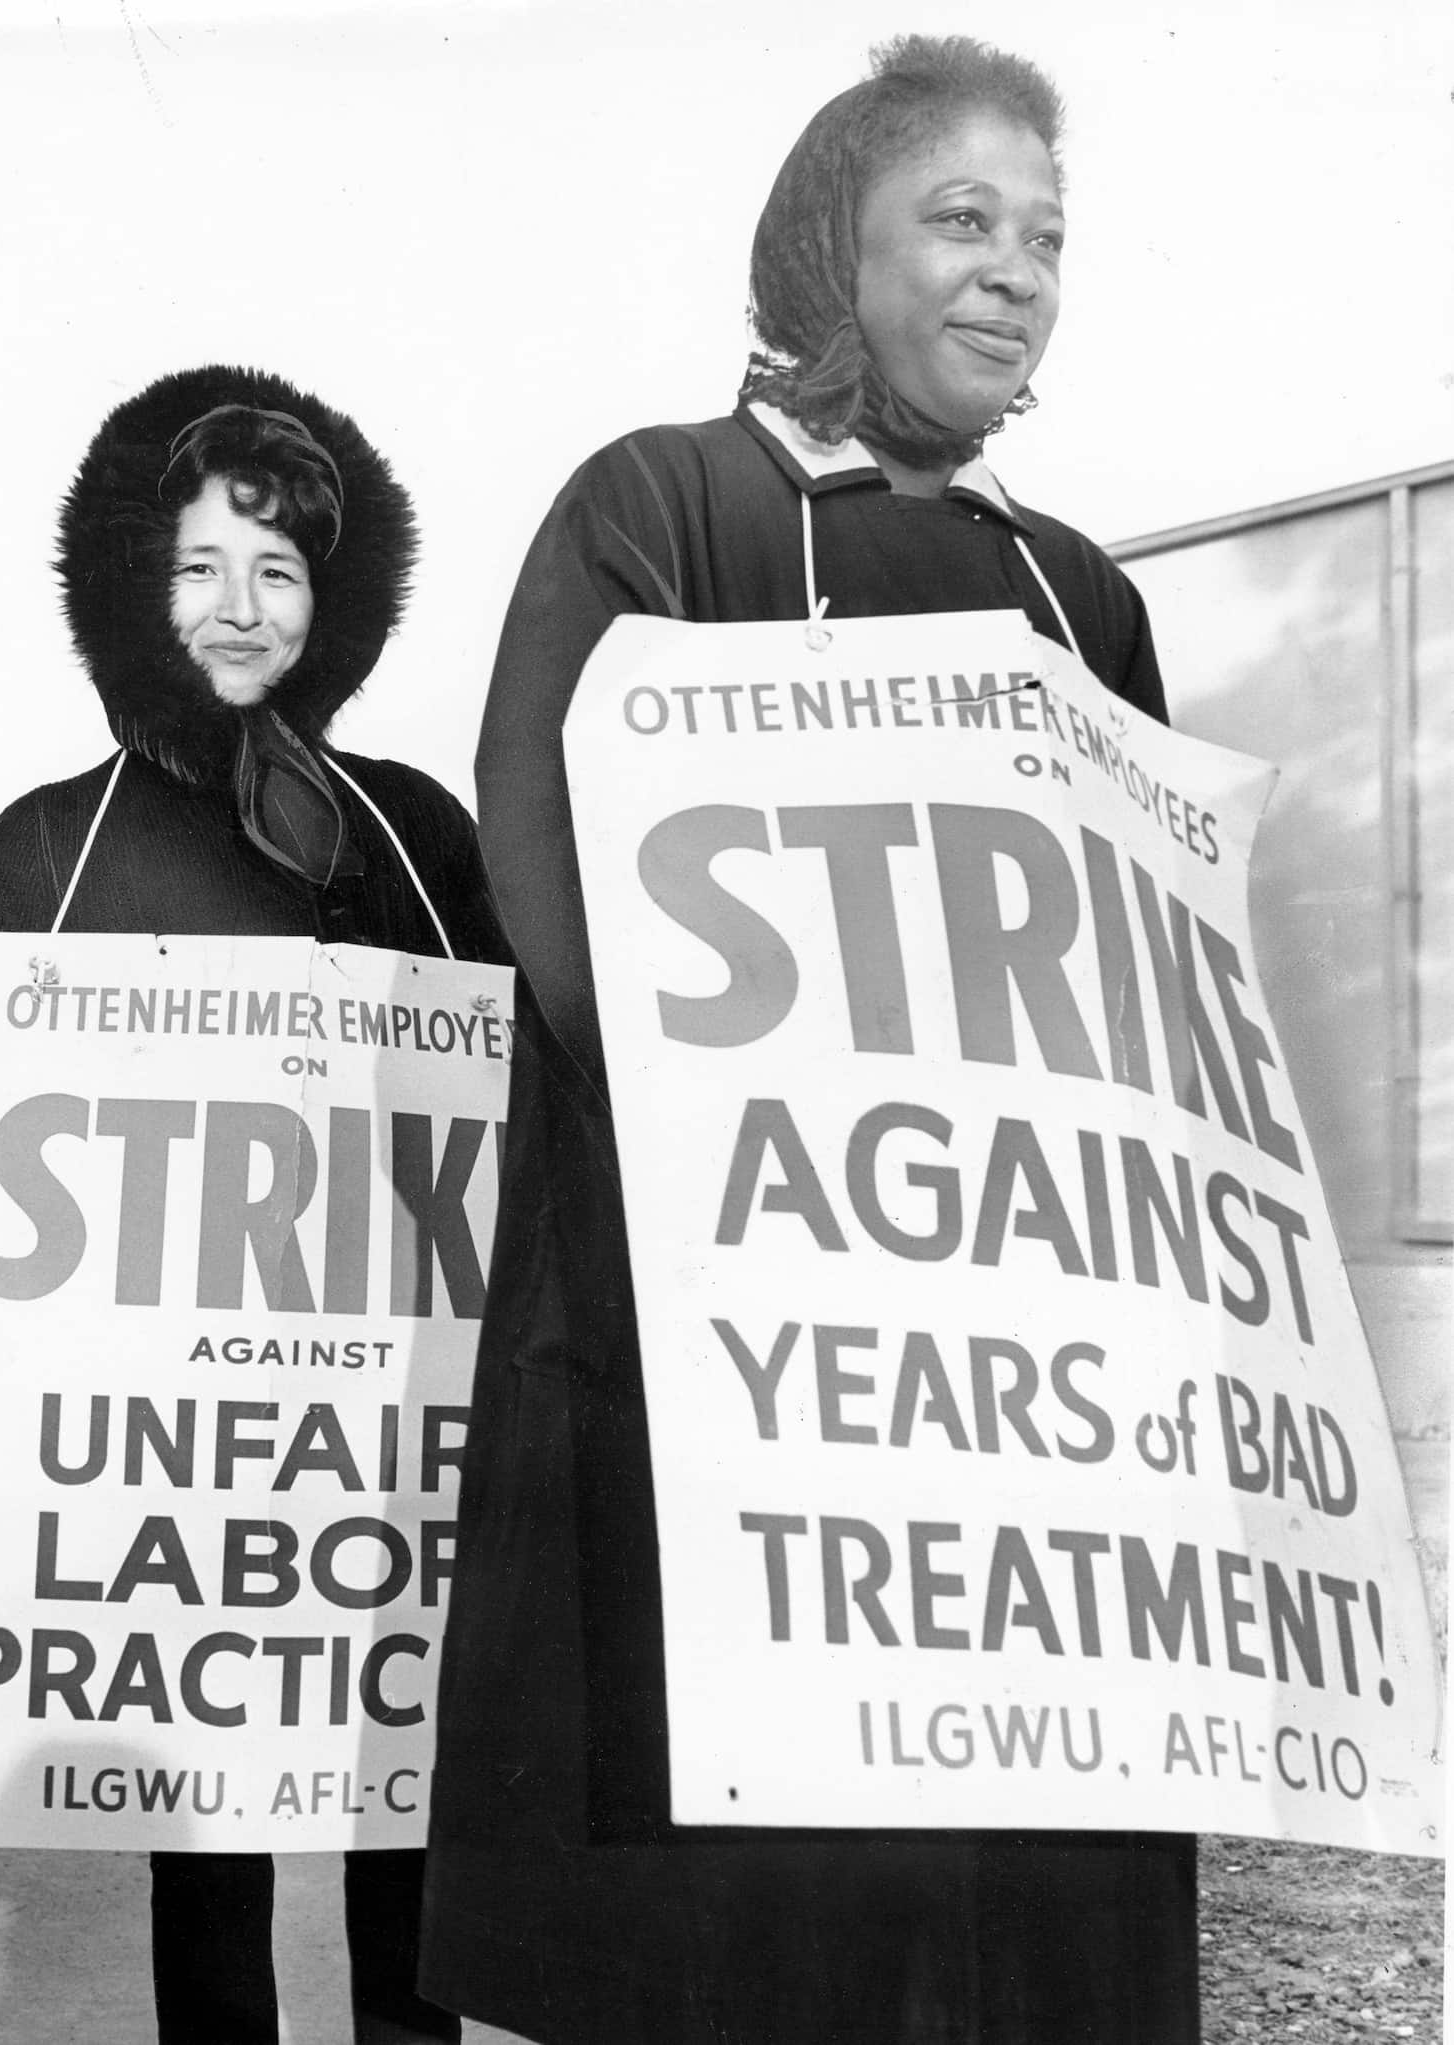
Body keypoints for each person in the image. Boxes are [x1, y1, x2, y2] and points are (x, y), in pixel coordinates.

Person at [419, 34, 1196, 2045]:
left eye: (1043, 236)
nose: (1013, 271)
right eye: (958, 220)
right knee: (750, 1949)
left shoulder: (1081, 601)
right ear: (823, 254)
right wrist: (770, 1196)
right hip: (727, 1381)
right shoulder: (664, 507)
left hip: (1019, 1426)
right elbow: (552, 863)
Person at [0, 364, 507, 2045]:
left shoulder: (413, 832)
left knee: (408, 1812)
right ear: (133, 582)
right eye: (199, 566)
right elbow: (14, 1146)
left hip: (395, 1434)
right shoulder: (47, 851)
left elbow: (505, 1094)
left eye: (280, 569)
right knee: (211, 1834)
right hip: (188, 1460)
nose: (241, 607)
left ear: (336, 599)